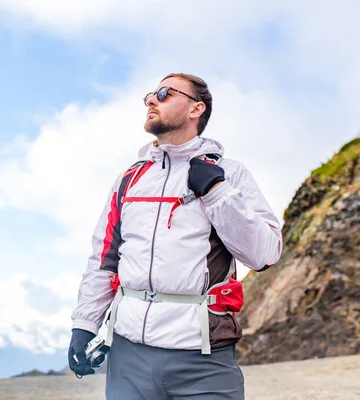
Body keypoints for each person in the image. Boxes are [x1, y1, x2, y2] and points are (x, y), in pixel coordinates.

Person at [68, 73, 283, 399]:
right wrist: (84, 324)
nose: (151, 100)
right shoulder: (130, 179)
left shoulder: (229, 174)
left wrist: (216, 191)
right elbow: (105, 257)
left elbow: (265, 254)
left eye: (165, 93)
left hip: (203, 358)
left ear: (196, 108)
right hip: (128, 357)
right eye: (150, 95)